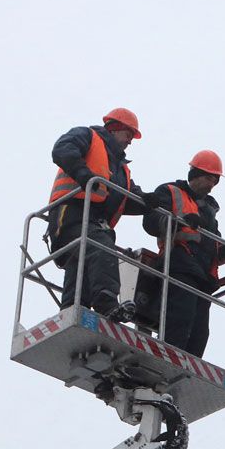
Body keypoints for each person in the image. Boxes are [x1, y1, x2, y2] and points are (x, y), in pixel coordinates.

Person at [140, 149, 225, 357]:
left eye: (215, 180)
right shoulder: (170, 191)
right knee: (180, 318)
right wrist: (179, 223)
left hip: (203, 278)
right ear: (195, 174)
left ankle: (189, 366)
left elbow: (211, 249)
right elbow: (151, 220)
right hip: (179, 265)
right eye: (209, 177)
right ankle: (169, 359)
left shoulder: (209, 212)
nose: (212, 184)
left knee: (199, 332)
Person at [48, 107, 147, 319]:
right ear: (114, 128)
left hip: (95, 222)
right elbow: (63, 148)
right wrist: (82, 173)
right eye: (128, 134)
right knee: (101, 247)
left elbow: (129, 196)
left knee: (82, 261)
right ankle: (107, 302)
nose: (130, 141)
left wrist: (151, 201)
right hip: (70, 214)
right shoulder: (87, 136)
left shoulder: (120, 169)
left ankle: (72, 310)